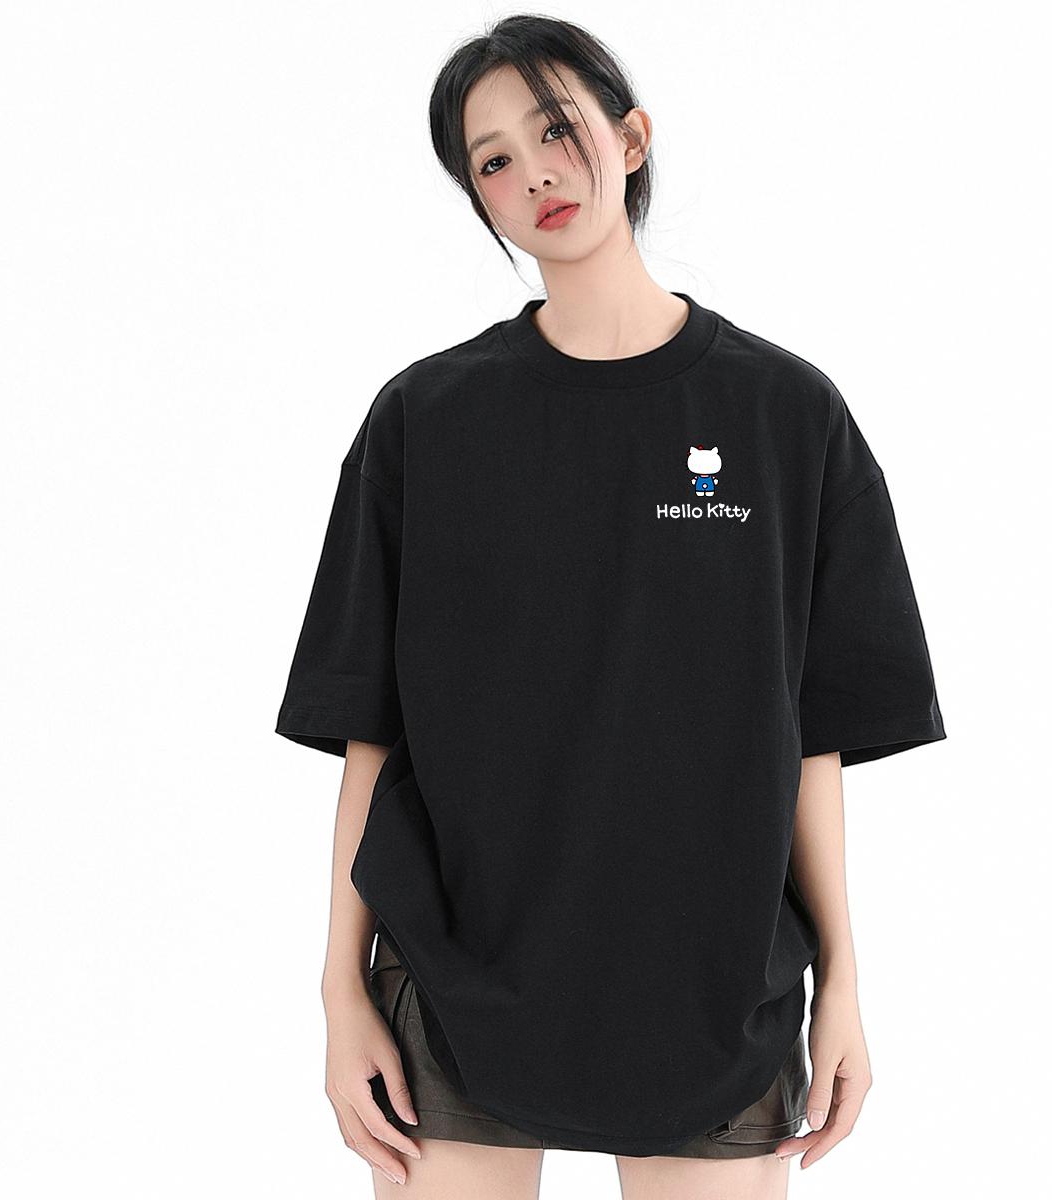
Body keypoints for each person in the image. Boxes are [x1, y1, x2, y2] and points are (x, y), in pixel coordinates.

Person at [275, 14, 946, 1198]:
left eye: (556, 130)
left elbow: (812, 739)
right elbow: (371, 733)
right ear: (477, 199)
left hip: (714, 994)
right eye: (493, 160)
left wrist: (843, 982)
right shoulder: (424, 422)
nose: (534, 173)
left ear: (630, 139)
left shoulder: (785, 417)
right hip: (453, 986)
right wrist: (339, 993)